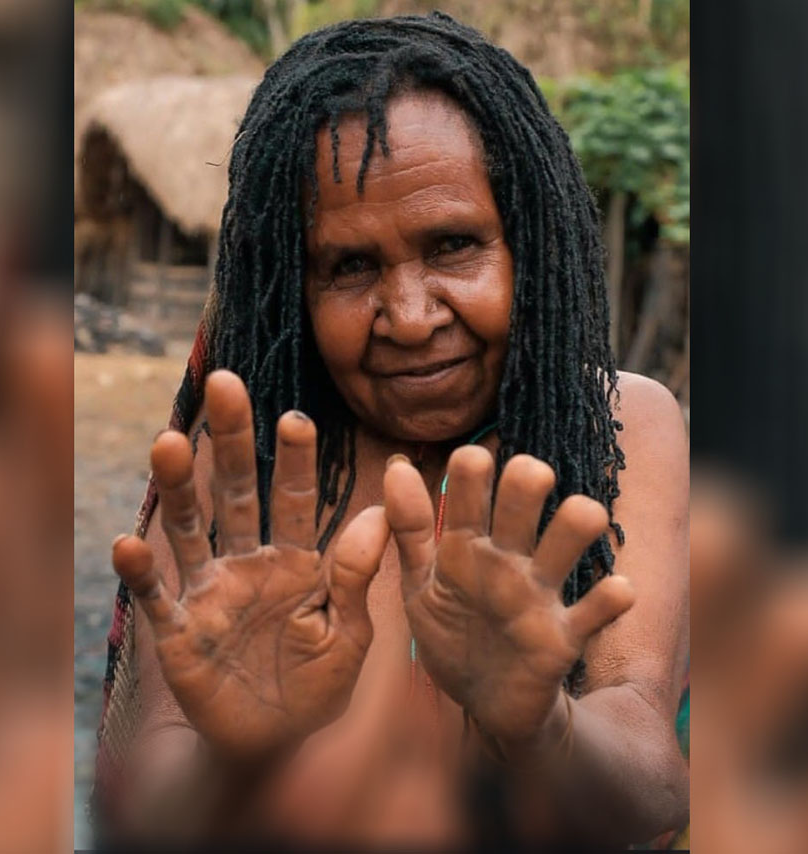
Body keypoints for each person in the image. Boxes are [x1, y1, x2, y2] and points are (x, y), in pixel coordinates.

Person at [93, 12, 688, 848]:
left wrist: (541, 726)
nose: (409, 317)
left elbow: (655, 780)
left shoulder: (621, 427)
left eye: (453, 245)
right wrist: (237, 761)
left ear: (531, 244)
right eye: (350, 265)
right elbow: (149, 814)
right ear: (292, 286)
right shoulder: (244, 461)